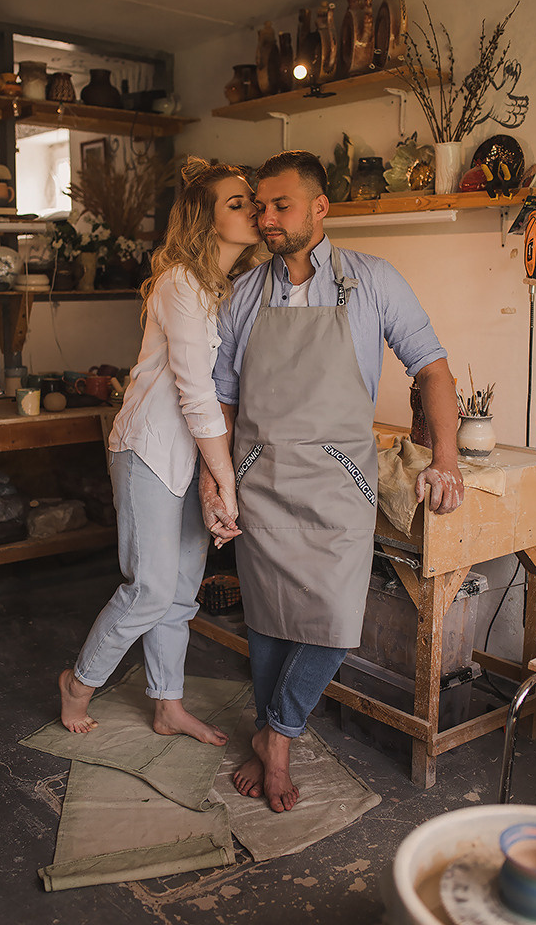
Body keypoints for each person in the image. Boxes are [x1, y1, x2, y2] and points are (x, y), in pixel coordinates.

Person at [200, 150, 464, 810]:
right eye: (258, 206)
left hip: (339, 481)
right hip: (260, 475)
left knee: (335, 622)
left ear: (320, 208)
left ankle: (278, 734)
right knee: (266, 621)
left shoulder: (372, 280)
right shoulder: (242, 293)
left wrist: (447, 459)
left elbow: (431, 368)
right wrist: (218, 478)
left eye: (278, 205)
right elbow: (222, 399)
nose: (264, 218)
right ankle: (274, 738)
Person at [59, 157, 260, 744]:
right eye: (237, 203)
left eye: (251, 200)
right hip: (148, 449)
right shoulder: (180, 284)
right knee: (147, 587)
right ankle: (79, 682)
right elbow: (197, 394)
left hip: (193, 455)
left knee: (178, 591)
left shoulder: (224, 288)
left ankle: (167, 705)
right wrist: (225, 480)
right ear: (204, 218)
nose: (252, 210)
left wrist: (216, 471)